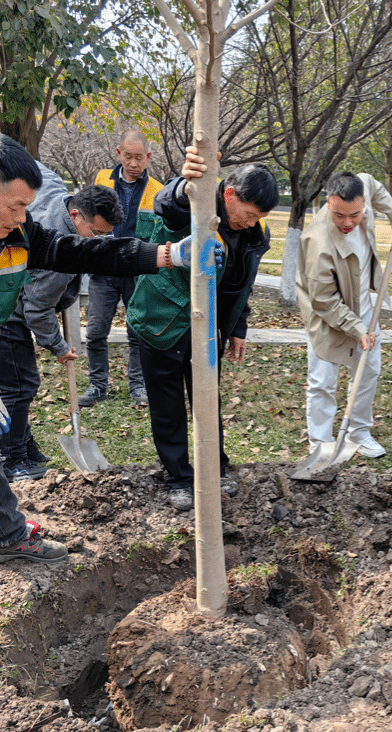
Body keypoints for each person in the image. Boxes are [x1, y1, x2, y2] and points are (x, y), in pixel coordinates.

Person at [0, 133, 211, 668]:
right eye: (16, 206)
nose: (23, 219)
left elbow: (75, 249)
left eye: (27, 207)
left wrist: (162, 254)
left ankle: (9, 539)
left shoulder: (9, 226)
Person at [128, 148, 278, 511]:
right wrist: (188, 184)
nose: (251, 223)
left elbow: (242, 285)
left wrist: (239, 327)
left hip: (208, 329)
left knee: (208, 399)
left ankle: (214, 468)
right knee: (167, 406)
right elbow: (168, 203)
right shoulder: (198, 203)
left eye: (258, 218)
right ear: (229, 194)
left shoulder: (253, 234)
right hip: (162, 319)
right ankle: (179, 477)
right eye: (249, 214)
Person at [0, 173, 124, 483]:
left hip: (9, 293)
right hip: (0, 308)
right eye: (96, 233)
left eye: (106, 236)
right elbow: (37, 310)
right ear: (75, 214)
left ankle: (25, 446)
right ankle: (13, 460)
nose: (98, 242)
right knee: (19, 385)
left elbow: (41, 171)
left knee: (19, 383)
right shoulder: (59, 254)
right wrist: (60, 347)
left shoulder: (56, 194)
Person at [296, 171, 392, 459]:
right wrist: (357, 330)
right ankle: (321, 443)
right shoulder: (318, 242)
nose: (347, 223)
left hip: (364, 305)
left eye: (355, 215)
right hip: (326, 315)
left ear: (363, 203)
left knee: (368, 370)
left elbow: (374, 184)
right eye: (339, 215)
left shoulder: (363, 188)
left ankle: (358, 432)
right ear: (328, 203)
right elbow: (324, 301)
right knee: (323, 381)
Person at [83, 129, 164, 408]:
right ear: (119, 153)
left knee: (138, 331)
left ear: (148, 157)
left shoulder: (157, 191)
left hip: (137, 271)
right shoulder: (101, 179)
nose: (132, 163)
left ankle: (138, 385)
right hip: (103, 268)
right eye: (128, 156)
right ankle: (97, 385)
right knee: (95, 331)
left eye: (139, 157)